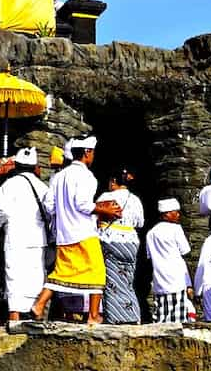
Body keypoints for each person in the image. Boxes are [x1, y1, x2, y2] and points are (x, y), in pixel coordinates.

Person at [31, 136, 121, 325]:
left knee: (61, 273)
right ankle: (94, 315)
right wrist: (103, 209)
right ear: (87, 153)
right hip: (83, 232)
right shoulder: (87, 176)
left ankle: (39, 304)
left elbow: (50, 206)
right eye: (93, 152)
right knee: (97, 272)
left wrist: (65, 214)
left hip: (64, 234)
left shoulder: (59, 176)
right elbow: (82, 204)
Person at [0, 148, 52, 322]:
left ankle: (14, 316)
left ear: (16, 165)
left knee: (15, 276)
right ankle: (35, 315)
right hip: (37, 238)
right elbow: (49, 212)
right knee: (35, 275)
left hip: (16, 237)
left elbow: (2, 211)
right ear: (35, 167)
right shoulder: (42, 186)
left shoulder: (8, 185)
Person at [95, 167, 144, 325]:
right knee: (128, 282)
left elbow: (96, 217)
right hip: (131, 243)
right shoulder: (134, 199)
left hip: (111, 241)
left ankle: (115, 318)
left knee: (111, 283)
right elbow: (140, 223)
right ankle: (133, 316)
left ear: (114, 181)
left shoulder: (106, 196)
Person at [146, 199, 193, 323]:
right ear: (166, 214)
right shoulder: (176, 229)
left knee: (161, 316)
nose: (178, 215)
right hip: (176, 279)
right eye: (175, 212)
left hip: (159, 279)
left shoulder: (151, 233)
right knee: (178, 319)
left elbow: (149, 257)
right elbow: (185, 251)